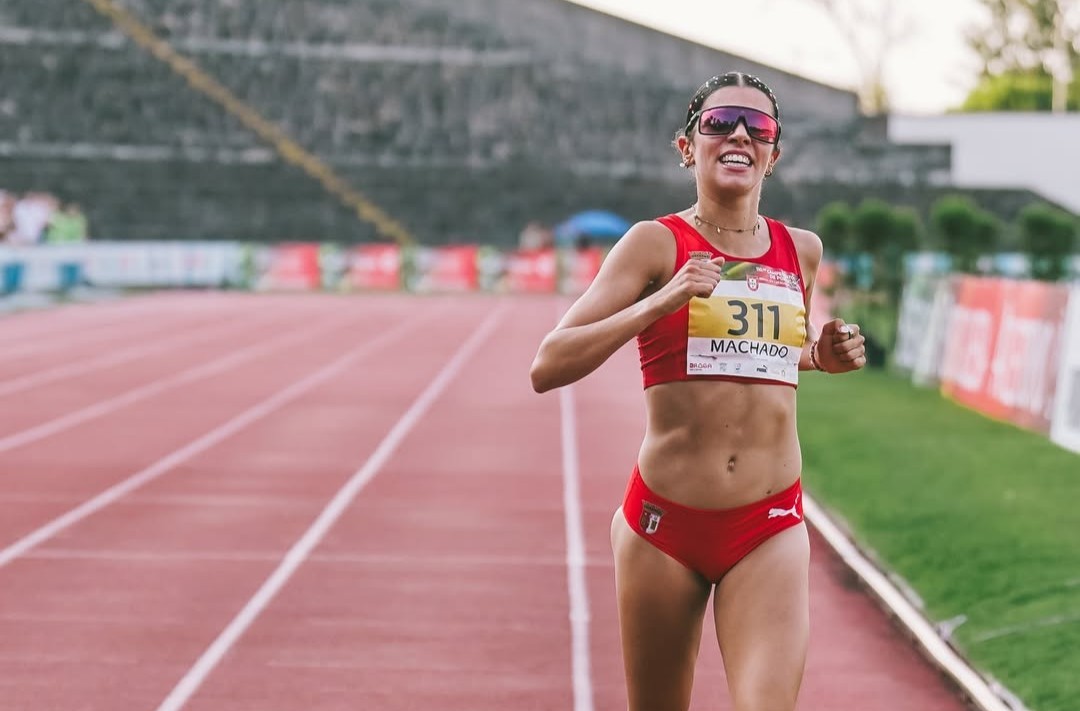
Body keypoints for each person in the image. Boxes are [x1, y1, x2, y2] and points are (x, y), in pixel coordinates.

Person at [530, 71, 867, 711]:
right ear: (688, 147)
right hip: (665, 525)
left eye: (758, 127)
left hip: (768, 522)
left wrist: (817, 357)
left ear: (774, 152)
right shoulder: (654, 243)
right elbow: (548, 364)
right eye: (718, 123)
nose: (738, 134)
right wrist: (663, 298)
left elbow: (761, 357)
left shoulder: (801, 251)